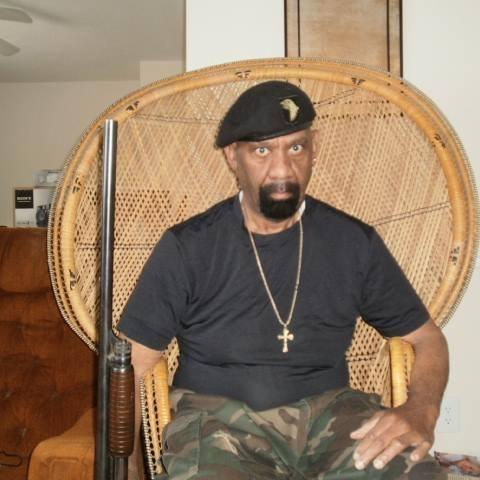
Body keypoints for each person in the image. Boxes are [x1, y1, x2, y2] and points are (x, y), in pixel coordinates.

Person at [119, 81, 449, 479]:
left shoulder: (352, 242)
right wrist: (127, 470)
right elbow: (130, 367)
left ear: (315, 148)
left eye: (296, 147)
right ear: (232, 156)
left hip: (331, 417)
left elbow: (427, 339)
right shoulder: (188, 247)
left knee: (411, 472)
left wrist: (421, 410)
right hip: (220, 421)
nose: (282, 169)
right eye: (262, 151)